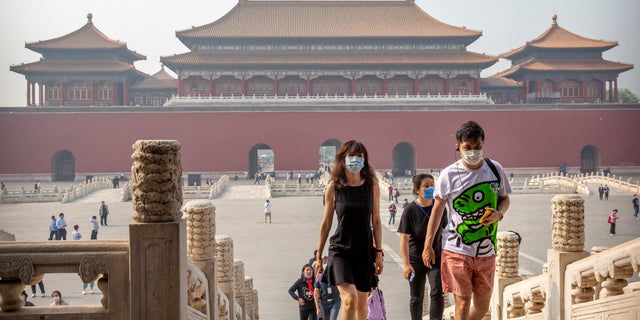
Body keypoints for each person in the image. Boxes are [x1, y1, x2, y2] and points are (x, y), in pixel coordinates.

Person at [421, 121, 511, 320]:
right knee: (462, 305)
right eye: (467, 148)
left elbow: (504, 200)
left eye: (477, 147)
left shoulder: (495, 169)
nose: (473, 151)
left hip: (487, 250)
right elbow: (437, 211)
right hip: (457, 249)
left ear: (483, 144)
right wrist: (428, 245)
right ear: (458, 147)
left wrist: (499, 214)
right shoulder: (449, 174)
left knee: (481, 307)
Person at [316, 140, 384, 320]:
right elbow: (326, 223)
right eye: (351, 156)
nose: (355, 160)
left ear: (365, 159)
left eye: (359, 156)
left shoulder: (371, 185)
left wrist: (378, 252)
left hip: (364, 251)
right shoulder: (334, 187)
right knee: (350, 299)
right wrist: (318, 255)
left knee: (361, 306)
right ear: (343, 159)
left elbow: (376, 221)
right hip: (340, 250)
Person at [398, 173, 445, 320]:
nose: (430, 188)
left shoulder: (440, 208)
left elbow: (444, 232)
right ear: (417, 190)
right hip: (415, 260)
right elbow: (404, 239)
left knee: (437, 291)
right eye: (426, 186)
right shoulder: (409, 211)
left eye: (432, 185)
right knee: (416, 296)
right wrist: (406, 264)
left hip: (435, 257)